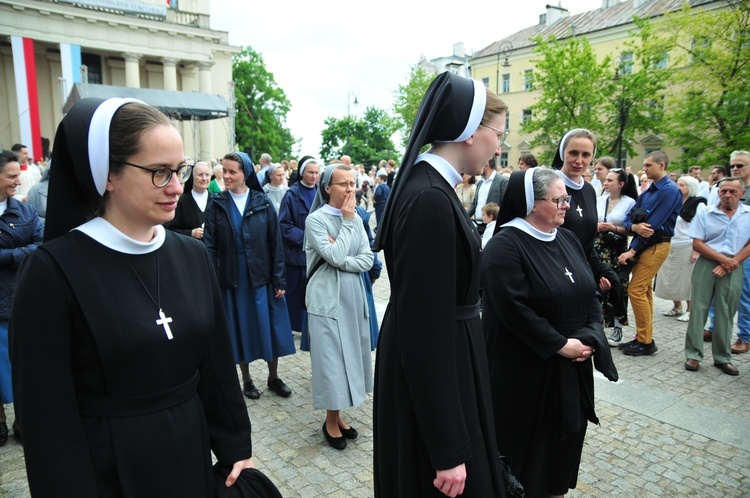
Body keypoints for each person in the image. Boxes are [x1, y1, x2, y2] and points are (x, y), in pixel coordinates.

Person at [10, 98, 254, 495]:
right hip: (109, 469)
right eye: (159, 172)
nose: (177, 186)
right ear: (107, 175)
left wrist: (235, 445)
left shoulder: (191, 256)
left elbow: (216, 363)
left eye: (180, 170)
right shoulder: (51, 272)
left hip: (189, 454)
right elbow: (46, 417)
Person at [373, 72, 508, 497]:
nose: (499, 145)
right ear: (470, 132)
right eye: (498, 133)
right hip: (440, 362)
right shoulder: (430, 198)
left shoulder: (428, 187)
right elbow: (424, 332)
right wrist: (447, 448)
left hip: (449, 356)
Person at [483, 167, 618, 498]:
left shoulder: (568, 238)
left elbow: (589, 292)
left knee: (561, 451)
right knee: (525, 453)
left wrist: (590, 336)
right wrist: (559, 344)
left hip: (570, 367)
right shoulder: (505, 247)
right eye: (558, 199)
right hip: (526, 371)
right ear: (531, 202)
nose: (566, 205)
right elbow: (512, 310)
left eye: (566, 198)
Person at [204, 152, 295, 400]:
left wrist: (279, 279)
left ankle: (273, 376)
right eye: (224, 170)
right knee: (240, 326)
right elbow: (210, 245)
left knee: (269, 327)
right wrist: (212, 279)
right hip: (233, 277)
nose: (227, 175)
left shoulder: (261, 202)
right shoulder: (217, 203)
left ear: (246, 173)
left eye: (233, 171)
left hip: (261, 274)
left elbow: (275, 243)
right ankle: (246, 379)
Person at [304, 163, 373, 450]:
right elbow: (330, 254)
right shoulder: (317, 221)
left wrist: (343, 260)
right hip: (326, 302)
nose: (349, 189)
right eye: (343, 184)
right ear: (327, 188)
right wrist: (345, 226)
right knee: (332, 362)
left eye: (352, 183)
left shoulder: (356, 218)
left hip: (352, 299)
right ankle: (330, 422)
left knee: (349, 359)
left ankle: (338, 416)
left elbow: (367, 258)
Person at [617, 151, 682, 356]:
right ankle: (643, 337)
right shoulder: (648, 191)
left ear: (661, 165)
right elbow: (630, 219)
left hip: (656, 245)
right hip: (644, 243)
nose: (644, 169)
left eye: (648, 165)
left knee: (636, 290)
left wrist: (632, 250)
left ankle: (645, 341)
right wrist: (634, 228)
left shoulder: (669, 191)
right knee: (643, 290)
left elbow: (652, 227)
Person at [551, 129, 619, 321]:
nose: (579, 160)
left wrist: (600, 271)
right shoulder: (547, 185)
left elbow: (588, 243)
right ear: (563, 152)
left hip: (582, 276)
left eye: (586, 155)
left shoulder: (589, 191)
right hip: (555, 276)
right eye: (573, 153)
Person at [684, 177, 750, 376]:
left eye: (733, 192)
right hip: (707, 262)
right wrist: (723, 260)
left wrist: (732, 262)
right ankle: (693, 355)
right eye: (724, 191)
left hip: (735, 264)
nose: (727, 195)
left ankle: (722, 357)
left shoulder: (748, 215)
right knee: (699, 308)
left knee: (726, 311)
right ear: (718, 192)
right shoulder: (706, 212)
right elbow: (697, 243)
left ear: (742, 194)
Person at [0, 150, 43, 447]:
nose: (19, 181)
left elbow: (41, 243)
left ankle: (21, 420)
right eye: (12, 176)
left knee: (21, 366)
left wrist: (7, 257)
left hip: (18, 298)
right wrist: (19, 254)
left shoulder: (25, 211)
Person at [595, 167, 638, 345]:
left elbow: (631, 229)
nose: (606, 183)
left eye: (610, 180)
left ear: (621, 184)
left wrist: (611, 228)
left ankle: (618, 326)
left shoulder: (629, 202)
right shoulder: (600, 199)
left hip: (617, 249)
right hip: (599, 246)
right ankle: (599, 322)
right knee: (599, 284)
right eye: (606, 180)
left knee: (618, 286)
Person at [654, 175, 706, 323]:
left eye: (682, 185)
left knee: (687, 279)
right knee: (672, 277)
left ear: (691, 187)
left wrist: (697, 249)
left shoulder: (698, 204)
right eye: (678, 184)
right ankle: (677, 306)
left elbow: (701, 227)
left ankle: (690, 310)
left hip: (687, 244)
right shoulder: (675, 201)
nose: (678, 187)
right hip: (671, 242)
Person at [278, 155, 320, 332]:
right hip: (296, 255)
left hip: (317, 255)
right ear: (302, 173)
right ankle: (294, 328)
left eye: (317, 173)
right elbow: (284, 225)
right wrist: (308, 238)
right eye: (310, 172)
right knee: (295, 295)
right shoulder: (291, 195)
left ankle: (311, 327)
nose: (314, 176)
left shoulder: (321, 192)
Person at [166, 160, 211, 240]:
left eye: (207, 175)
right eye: (200, 175)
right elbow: (170, 230)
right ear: (192, 177)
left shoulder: (216, 200)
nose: (204, 178)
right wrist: (191, 233)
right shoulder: (181, 201)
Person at [468, 156, 508, 224]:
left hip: (492, 225)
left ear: (486, 164)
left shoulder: (502, 181)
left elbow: (505, 205)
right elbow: (474, 204)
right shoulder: (480, 182)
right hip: (477, 223)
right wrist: (464, 216)